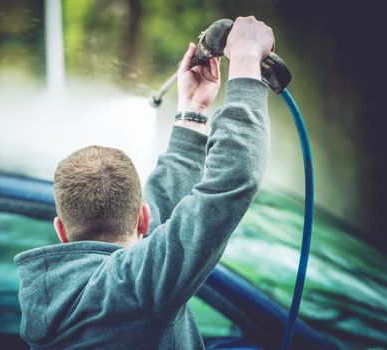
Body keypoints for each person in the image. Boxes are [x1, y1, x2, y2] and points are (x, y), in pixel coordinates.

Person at [15, 16, 273, 350]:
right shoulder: (135, 291)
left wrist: (192, 111)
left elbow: (162, 215)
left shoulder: (46, 295)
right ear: (142, 219)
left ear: (61, 230)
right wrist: (245, 63)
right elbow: (231, 181)